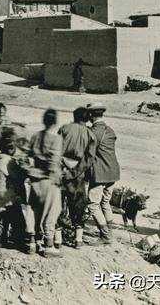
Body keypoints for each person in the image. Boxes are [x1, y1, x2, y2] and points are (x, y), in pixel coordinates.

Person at [59, 107, 96, 248]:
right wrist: (74, 172)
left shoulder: (64, 129)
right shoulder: (90, 134)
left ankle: (57, 240)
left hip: (62, 171)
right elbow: (88, 159)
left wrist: (63, 166)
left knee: (59, 204)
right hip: (78, 175)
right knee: (78, 206)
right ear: (87, 119)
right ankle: (78, 240)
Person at [27, 108, 63, 258]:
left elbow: (28, 155)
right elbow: (53, 162)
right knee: (51, 212)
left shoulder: (35, 136)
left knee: (35, 212)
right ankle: (48, 245)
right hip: (48, 180)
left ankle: (32, 242)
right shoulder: (56, 139)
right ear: (55, 122)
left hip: (35, 179)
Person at [86, 103, 120, 244]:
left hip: (100, 173)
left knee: (93, 205)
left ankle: (105, 236)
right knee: (105, 203)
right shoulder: (110, 130)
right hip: (113, 171)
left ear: (90, 115)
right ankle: (110, 233)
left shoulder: (92, 132)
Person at [0, 131, 26, 248]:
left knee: (1, 221)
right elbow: (18, 178)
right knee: (18, 220)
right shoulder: (9, 162)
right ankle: (18, 241)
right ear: (12, 149)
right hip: (7, 197)